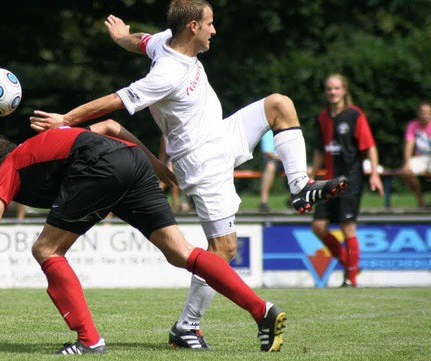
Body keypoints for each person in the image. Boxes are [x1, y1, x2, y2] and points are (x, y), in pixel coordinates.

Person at [29, 0, 347, 349]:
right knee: (222, 249)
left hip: (222, 135)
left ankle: (299, 186)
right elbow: (116, 101)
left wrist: (120, 37)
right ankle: (187, 327)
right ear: (193, 27)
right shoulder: (166, 73)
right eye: (210, 24)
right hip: (201, 161)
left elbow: (141, 41)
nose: (215, 30)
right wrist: (65, 120)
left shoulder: (166, 40)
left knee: (279, 104)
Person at [0, 124, 286, 354]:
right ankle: (262, 310)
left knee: (45, 248)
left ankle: (89, 341)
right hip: (133, 160)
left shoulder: (9, 166)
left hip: (100, 165)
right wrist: (153, 162)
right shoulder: (40, 149)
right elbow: (111, 126)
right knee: (180, 252)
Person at [310, 73, 384, 288]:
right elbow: (318, 150)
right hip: (328, 181)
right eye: (329, 89)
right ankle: (349, 263)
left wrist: (375, 174)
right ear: (326, 92)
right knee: (318, 226)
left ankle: (350, 279)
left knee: (347, 228)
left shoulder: (354, 115)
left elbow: (369, 145)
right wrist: (312, 177)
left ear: (344, 91)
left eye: (336, 88)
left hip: (350, 179)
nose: (333, 92)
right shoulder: (322, 117)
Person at [400, 100, 431, 208]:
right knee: (407, 172)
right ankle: (420, 199)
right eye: (422, 112)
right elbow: (409, 145)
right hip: (420, 157)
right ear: (418, 113)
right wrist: (407, 163)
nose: (425, 115)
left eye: (427, 112)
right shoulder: (413, 125)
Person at [258, 130, 282, 212]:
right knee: (270, 166)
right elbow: (268, 152)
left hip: (286, 160)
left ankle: (294, 198)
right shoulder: (268, 132)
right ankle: (263, 201)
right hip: (275, 160)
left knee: (307, 170)